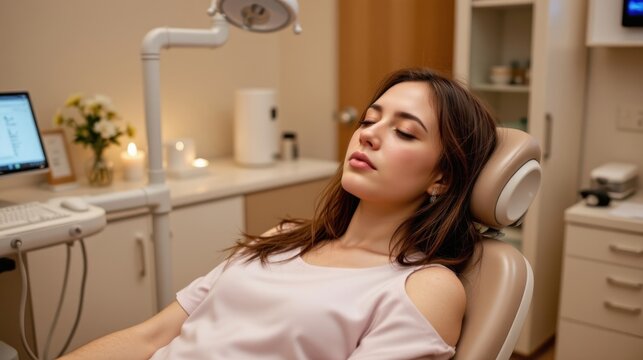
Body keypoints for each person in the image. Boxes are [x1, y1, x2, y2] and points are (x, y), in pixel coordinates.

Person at [60, 68, 497, 360]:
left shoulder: (422, 286)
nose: (368, 137)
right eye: (368, 120)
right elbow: (150, 336)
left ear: (441, 178)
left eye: (404, 131)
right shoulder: (283, 237)